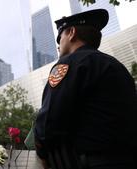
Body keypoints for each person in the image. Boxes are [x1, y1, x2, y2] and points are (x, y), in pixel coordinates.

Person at [34, 9, 137, 169]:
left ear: (71, 33)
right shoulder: (117, 67)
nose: (58, 45)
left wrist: (42, 154)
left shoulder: (69, 63)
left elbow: (49, 121)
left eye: (59, 38)